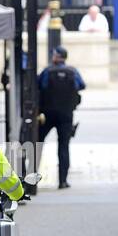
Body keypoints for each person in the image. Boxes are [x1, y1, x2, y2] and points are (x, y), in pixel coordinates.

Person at [38, 46, 85, 189]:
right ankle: (63, 181)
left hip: (48, 113)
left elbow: (40, 85)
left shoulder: (47, 71)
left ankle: (31, 177)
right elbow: (82, 85)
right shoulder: (73, 71)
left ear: (57, 56)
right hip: (66, 113)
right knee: (64, 146)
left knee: (38, 143)